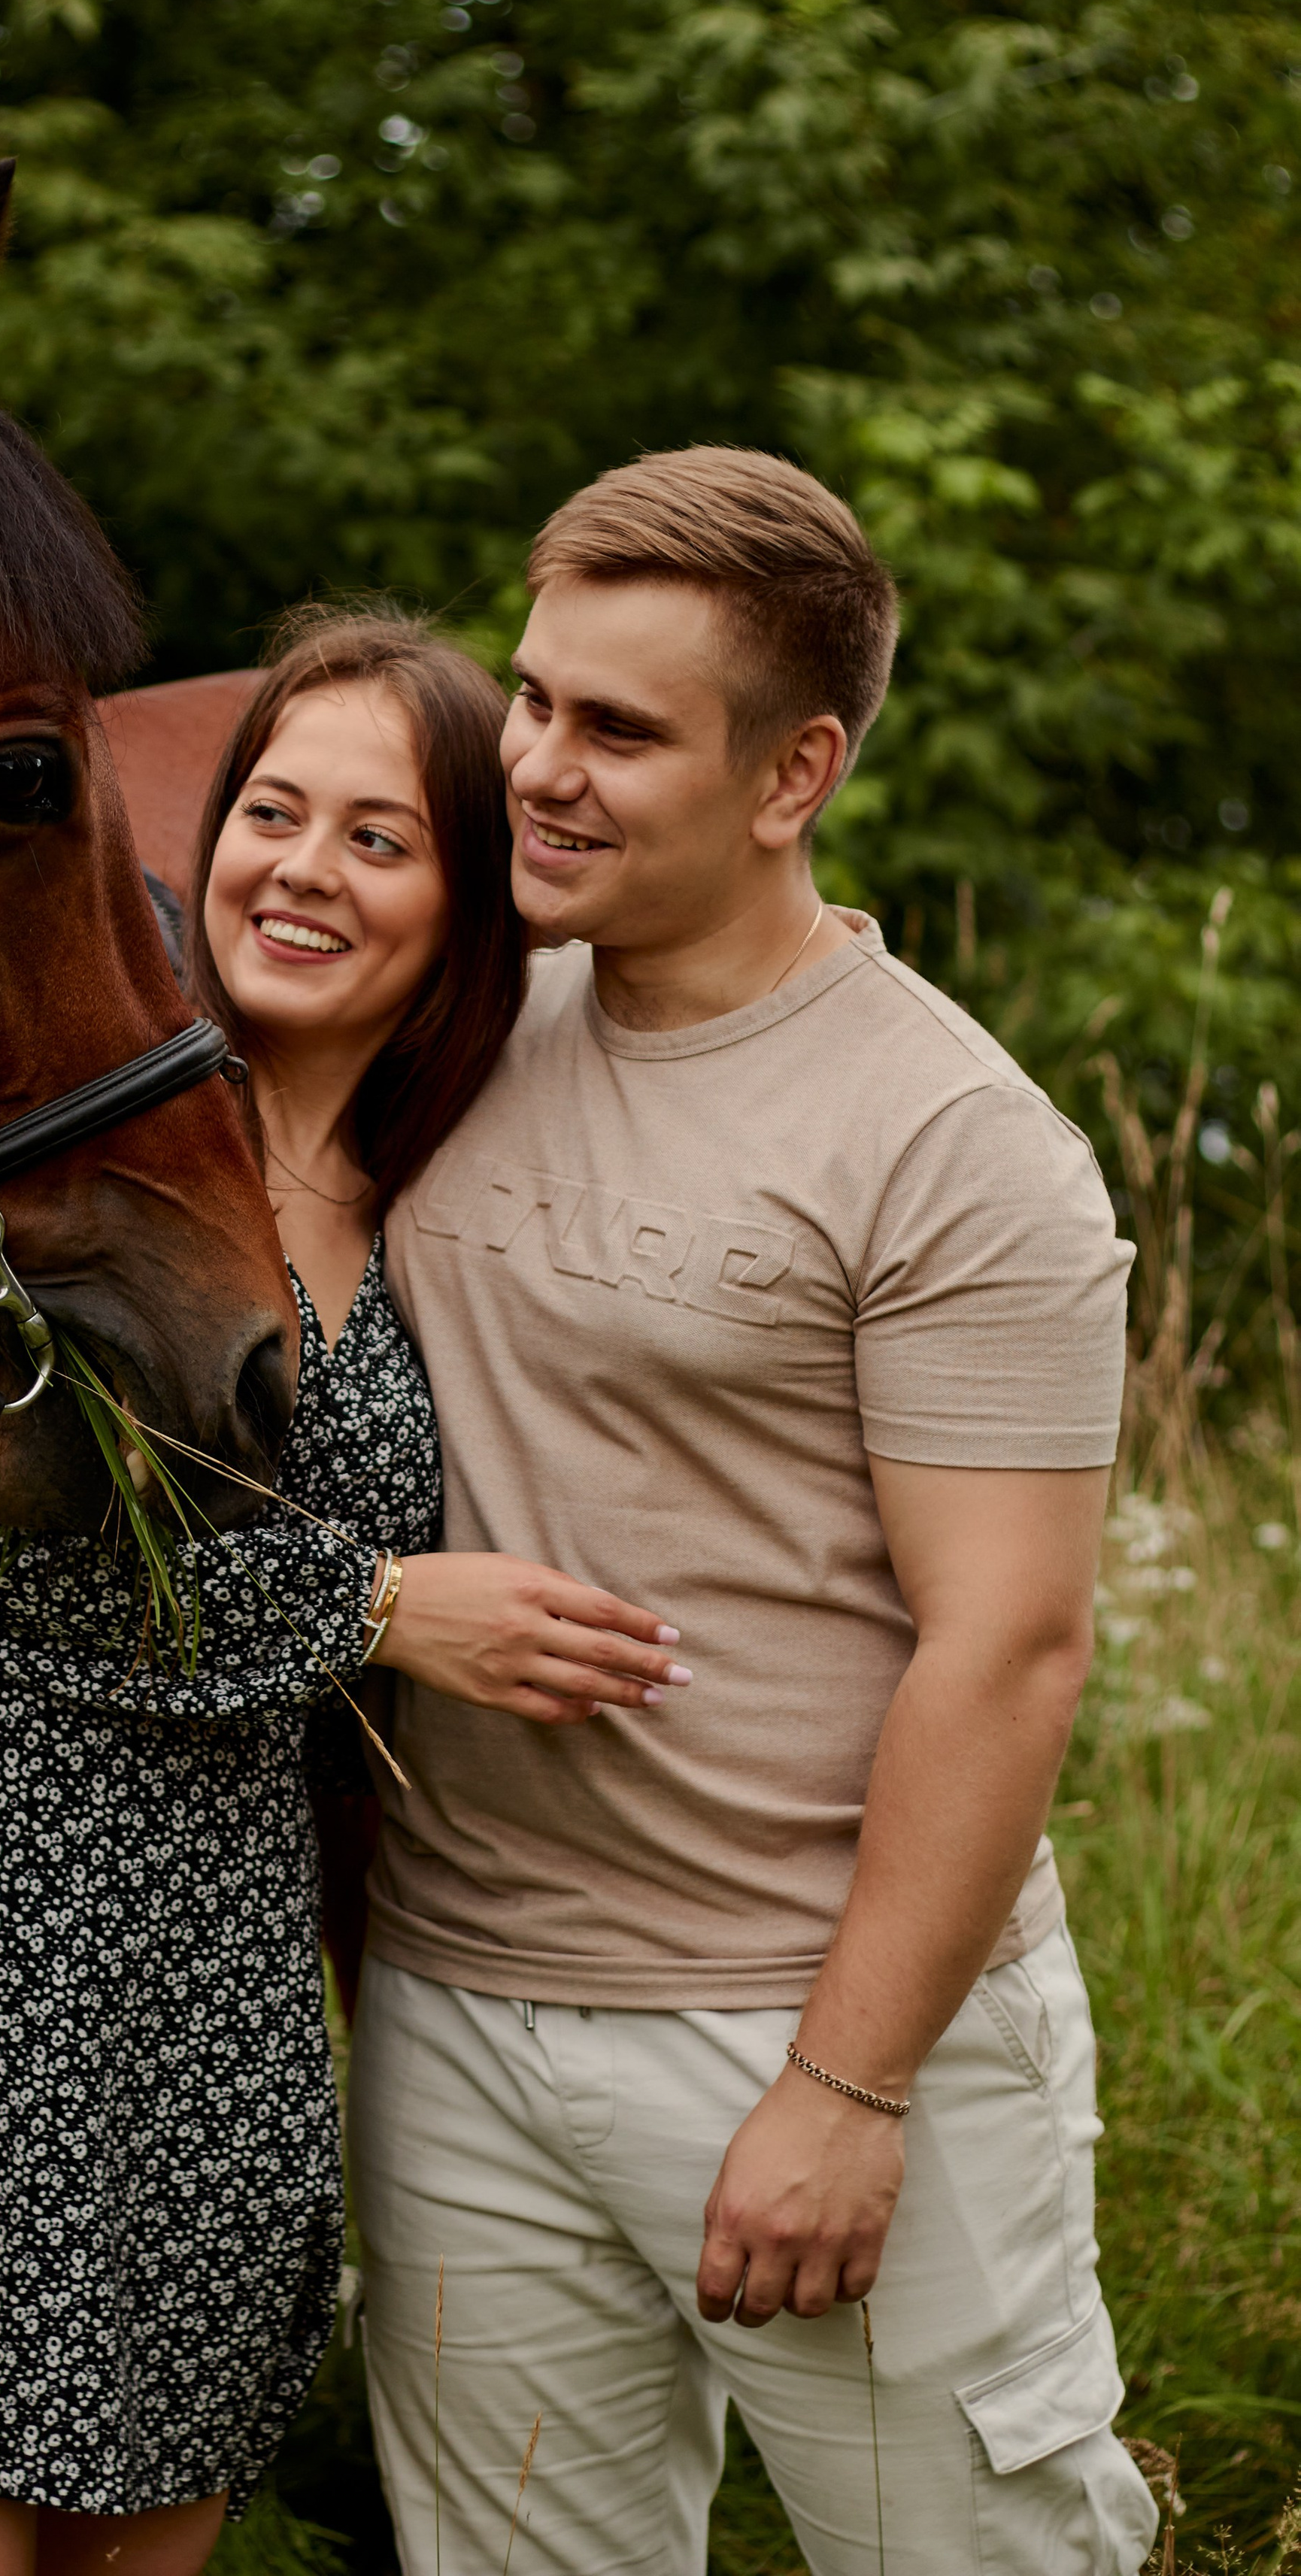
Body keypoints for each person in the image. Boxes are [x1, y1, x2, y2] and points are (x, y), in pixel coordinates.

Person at [0, 608, 690, 2576]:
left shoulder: (460, 1190)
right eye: (275, 810)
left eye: (380, 837)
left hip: (211, 1988)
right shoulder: (38, 1141)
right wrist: (376, 1612)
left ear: (467, 900)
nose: (300, 867)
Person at [348, 450, 1160, 2574]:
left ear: (796, 770)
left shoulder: (952, 1140)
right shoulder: (448, 1031)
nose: (534, 767)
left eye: (619, 730)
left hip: (805, 2011)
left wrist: (854, 2087)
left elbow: (1014, 1643)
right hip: (456, 2007)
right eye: (533, 700)